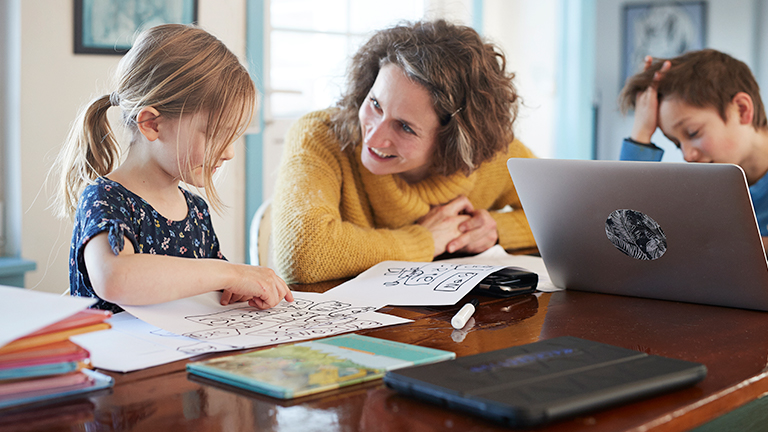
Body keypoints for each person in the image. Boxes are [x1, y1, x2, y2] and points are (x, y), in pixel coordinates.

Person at [271, 20, 537, 284]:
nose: (372, 136)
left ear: (453, 140)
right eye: (375, 103)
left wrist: (494, 229)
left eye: (404, 127)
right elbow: (300, 254)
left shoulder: (492, 153)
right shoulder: (320, 135)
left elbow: (571, 218)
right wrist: (425, 240)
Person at [53, 24, 294, 313]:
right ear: (152, 124)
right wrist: (231, 274)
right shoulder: (104, 198)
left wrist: (240, 288)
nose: (229, 152)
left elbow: (213, 290)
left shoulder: (196, 210)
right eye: (216, 135)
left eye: (233, 138)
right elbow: (115, 278)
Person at [619, 49, 768, 246]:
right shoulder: (707, 186)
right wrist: (641, 134)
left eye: (692, 133)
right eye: (677, 144)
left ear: (741, 109)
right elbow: (625, 235)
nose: (687, 156)